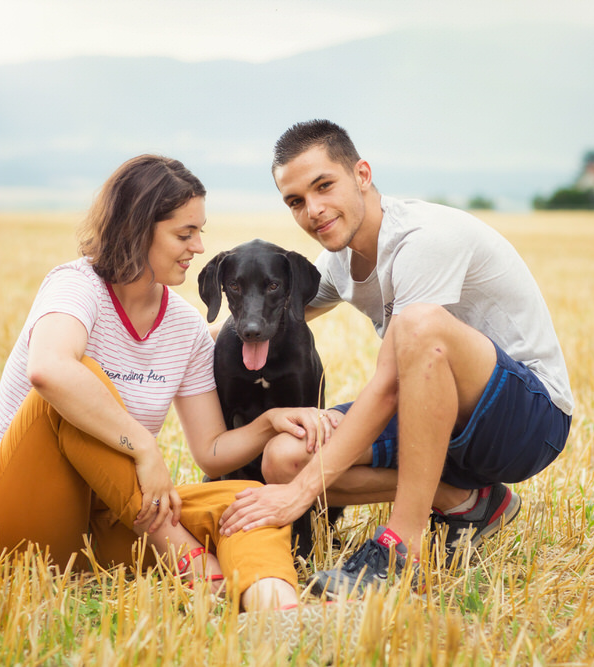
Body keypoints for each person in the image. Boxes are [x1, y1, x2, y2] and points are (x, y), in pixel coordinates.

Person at [0, 154, 332, 611]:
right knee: (78, 379)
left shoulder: (184, 327)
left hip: (110, 525)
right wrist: (143, 446)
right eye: (183, 233)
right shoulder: (76, 287)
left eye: (200, 232)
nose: (197, 247)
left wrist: (270, 421)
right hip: (11, 523)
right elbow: (49, 370)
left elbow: (211, 451)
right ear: (137, 229)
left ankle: (276, 605)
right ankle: (192, 564)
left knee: (250, 500)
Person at [219, 120, 574, 597]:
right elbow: (261, 314)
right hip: (437, 421)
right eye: (296, 201)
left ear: (362, 174)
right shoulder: (339, 264)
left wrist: (300, 497)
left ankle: (401, 550)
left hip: (524, 420)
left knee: (418, 326)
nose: (314, 210)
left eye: (324, 186)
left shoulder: (424, 238)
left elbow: (390, 385)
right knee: (284, 459)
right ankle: (466, 503)